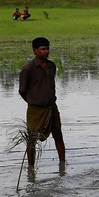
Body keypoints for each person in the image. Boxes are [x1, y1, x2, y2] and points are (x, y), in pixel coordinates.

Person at [18, 37, 66, 171]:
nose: (46, 51)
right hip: (36, 110)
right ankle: (31, 168)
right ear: (35, 51)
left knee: (58, 136)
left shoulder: (52, 66)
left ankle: (62, 165)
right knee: (32, 140)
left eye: (47, 48)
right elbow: (22, 90)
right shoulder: (28, 68)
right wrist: (35, 101)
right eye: (43, 49)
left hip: (52, 107)